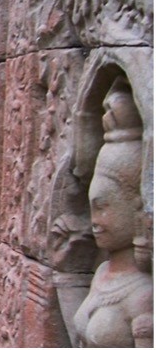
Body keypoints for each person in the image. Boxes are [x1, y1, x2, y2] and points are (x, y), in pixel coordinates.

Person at [73, 78, 153, 347]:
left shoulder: (144, 296)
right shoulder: (103, 272)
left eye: (103, 207)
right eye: (92, 207)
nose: (94, 220)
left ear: (139, 207)